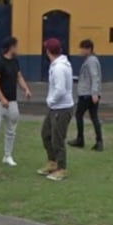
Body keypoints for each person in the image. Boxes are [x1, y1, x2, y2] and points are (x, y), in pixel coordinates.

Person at [0, 36, 32, 166]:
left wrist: (26, 89)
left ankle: (7, 155)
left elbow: (19, 77)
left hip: (12, 101)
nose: (18, 48)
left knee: (11, 129)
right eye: (16, 46)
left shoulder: (15, 62)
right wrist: (2, 98)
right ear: (11, 47)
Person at [37, 38, 74, 181]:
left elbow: (60, 89)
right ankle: (52, 162)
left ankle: (62, 168)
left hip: (62, 108)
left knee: (57, 139)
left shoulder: (59, 68)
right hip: (56, 108)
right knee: (46, 134)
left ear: (48, 51)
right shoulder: (58, 65)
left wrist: (50, 101)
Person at [69, 39, 104, 151]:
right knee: (94, 117)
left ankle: (80, 139)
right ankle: (99, 141)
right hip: (90, 93)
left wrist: (94, 93)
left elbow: (95, 77)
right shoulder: (91, 60)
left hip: (87, 94)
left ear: (88, 49)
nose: (80, 51)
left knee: (79, 115)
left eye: (82, 48)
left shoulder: (91, 61)